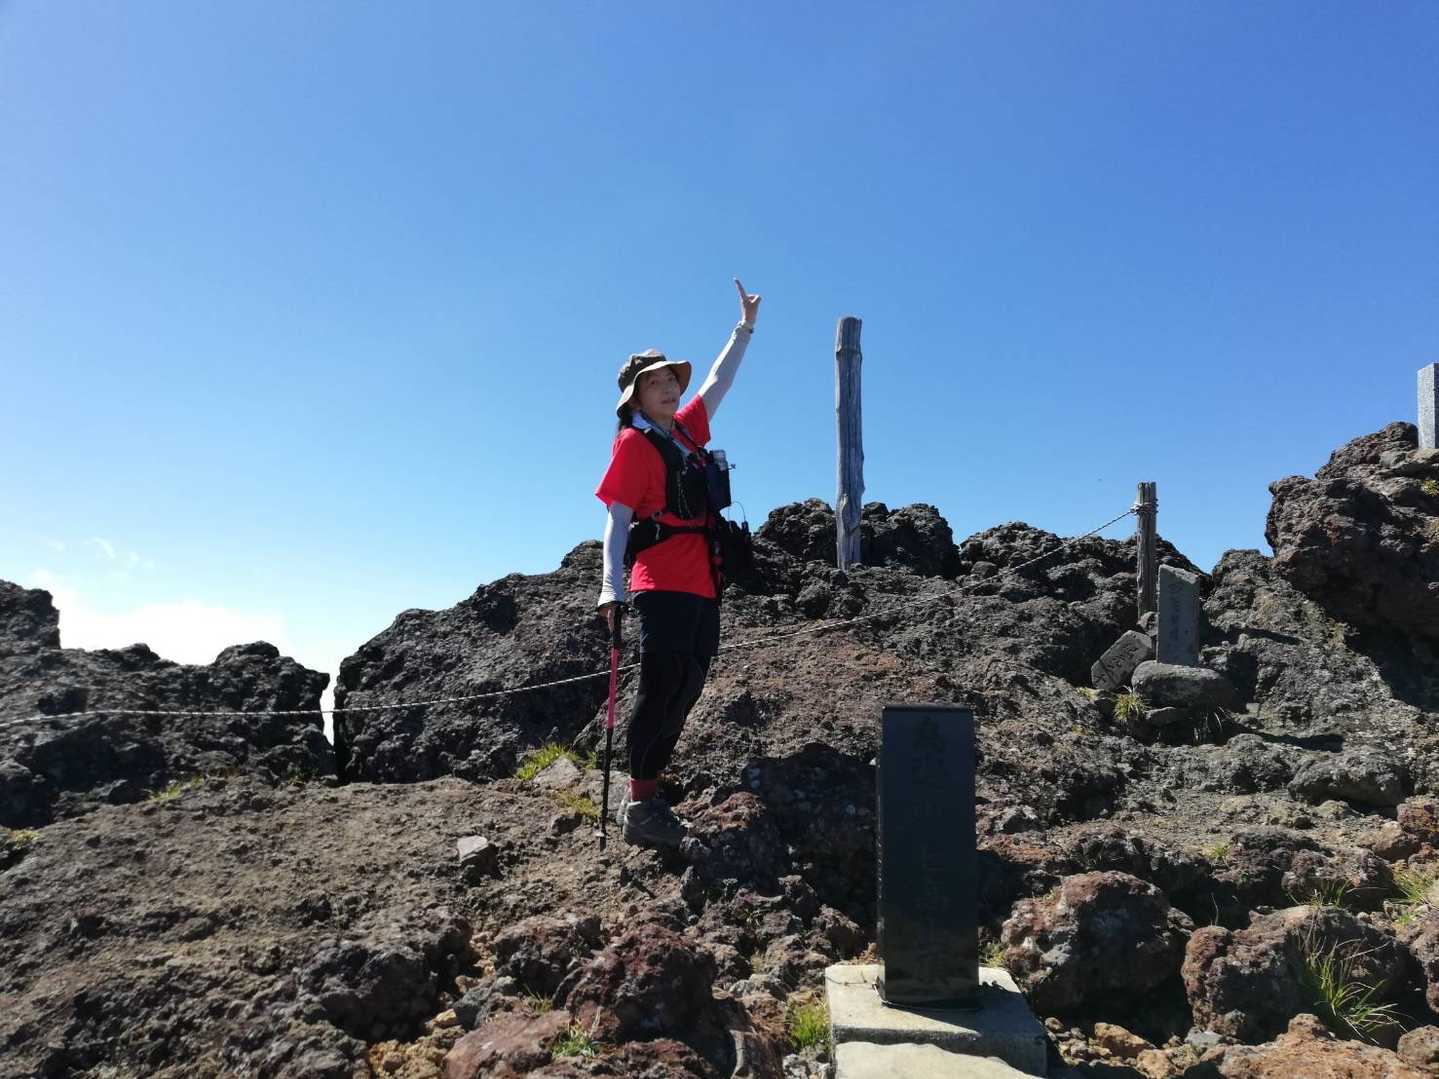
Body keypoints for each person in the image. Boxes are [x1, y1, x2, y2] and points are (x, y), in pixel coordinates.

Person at [595, 278, 761, 848]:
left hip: (705, 582)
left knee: (688, 686)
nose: (667, 388)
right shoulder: (634, 445)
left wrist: (745, 328)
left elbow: (720, 381)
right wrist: (610, 588)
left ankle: (648, 787)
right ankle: (641, 806)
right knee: (660, 687)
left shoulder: (688, 431)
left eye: (670, 380)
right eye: (654, 383)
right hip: (660, 582)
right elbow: (617, 520)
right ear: (635, 399)